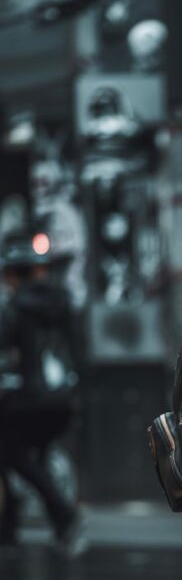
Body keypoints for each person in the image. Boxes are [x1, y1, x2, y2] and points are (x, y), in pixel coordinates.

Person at [0, 232, 85, 553]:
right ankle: (58, 524)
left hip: (32, 399)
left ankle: (62, 514)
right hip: (65, 396)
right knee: (32, 455)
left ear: (13, 274)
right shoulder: (62, 301)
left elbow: (7, 348)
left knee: (11, 454)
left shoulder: (17, 307)